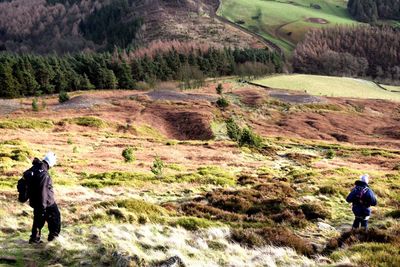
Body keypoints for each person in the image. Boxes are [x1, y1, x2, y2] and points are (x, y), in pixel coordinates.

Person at [18, 152, 61, 244]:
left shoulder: (34, 168)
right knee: (55, 218)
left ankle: (34, 239)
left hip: (36, 201)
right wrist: (43, 206)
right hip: (45, 202)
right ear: (51, 162)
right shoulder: (43, 173)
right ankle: (53, 240)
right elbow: (43, 191)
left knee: (38, 219)